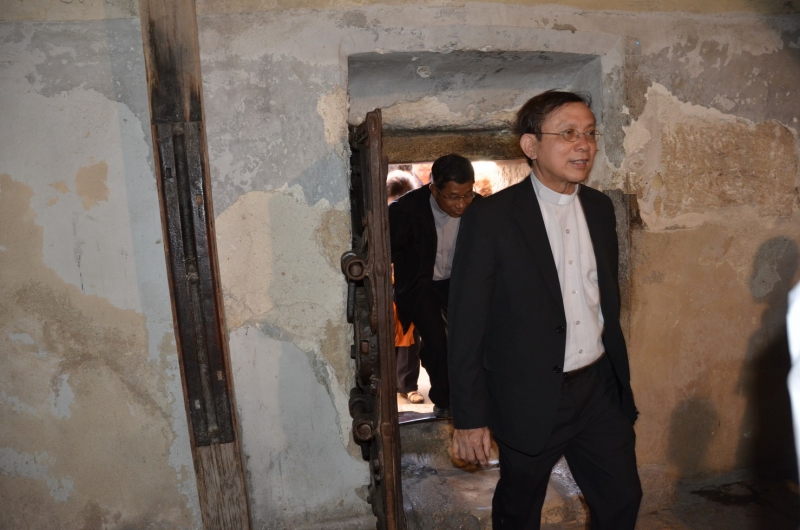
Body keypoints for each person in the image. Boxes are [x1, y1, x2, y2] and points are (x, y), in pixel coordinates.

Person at [448, 91, 641, 529]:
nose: (584, 145)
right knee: (519, 509)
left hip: (597, 389)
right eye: (568, 133)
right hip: (528, 394)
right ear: (530, 145)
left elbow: (601, 301)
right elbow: (466, 324)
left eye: (589, 133)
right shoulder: (491, 218)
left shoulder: (600, 208)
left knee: (622, 499)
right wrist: (470, 418)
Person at [389, 154, 480, 418]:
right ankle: (444, 402)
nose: (461, 204)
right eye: (453, 197)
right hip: (422, 284)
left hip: (459, 282)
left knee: (468, 341)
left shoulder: (480, 209)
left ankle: (470, 399)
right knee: (437, 343)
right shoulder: (405, 211)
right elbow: (386, 253)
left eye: (467, 194)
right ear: (434, 190)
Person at [386, 170, 425, 404]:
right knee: (386, 334)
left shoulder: (417, 220)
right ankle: (389, 383)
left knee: (410, 336)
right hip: (386, 282)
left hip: (409, 282)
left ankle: (408, 385)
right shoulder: (384, 219)